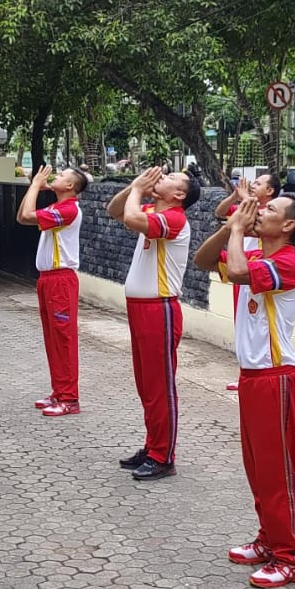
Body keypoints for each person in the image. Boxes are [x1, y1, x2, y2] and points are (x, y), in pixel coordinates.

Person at [192, 193, 295, 587]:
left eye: (270, 210)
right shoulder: (255, 255)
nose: (260, 211)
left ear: (288, 225)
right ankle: (268, 539)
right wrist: (231, 227)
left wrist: (239, 230)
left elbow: (238, 272)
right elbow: (203, 261)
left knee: (277, 474)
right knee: (257, 470)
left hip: (277, 378)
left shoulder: (288, 262)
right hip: (252, 377)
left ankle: (291, 556)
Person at [108, 165, 200, 480]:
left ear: (179, 195)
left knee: (160, 387)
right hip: (140, 309)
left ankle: (163, 456)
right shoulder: (152, 211)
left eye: (171, 178)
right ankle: (152, 446)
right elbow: (115, 210)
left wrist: (137, 189)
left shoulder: (174, 218)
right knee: (146, 385)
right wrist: (136, 186)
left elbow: (131, 219)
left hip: (159, 310)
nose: (164, 176)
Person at [17, 164, 90, 416]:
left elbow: (27, 216)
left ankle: (69, 398)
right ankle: (59, 391)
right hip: (48, 279)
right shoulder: (56, 208)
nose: (55, 177)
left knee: (63, 338)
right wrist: (34, 187)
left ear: (70, 186)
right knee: (52, 339)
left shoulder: (68, 210)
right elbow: (22, 216)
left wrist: (36, 185)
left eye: (61, 176)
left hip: (61, 280)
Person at [214, 170, 282, 391]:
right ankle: (243, 370)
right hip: (241, 269)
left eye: (259, 184)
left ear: (270, 191)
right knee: (242, 323)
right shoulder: (246, 207)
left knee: (259, 324)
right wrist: (235, 196)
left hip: (258, 272)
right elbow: (220, 212)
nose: (253, 185)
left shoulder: (269, 215)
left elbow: (254, 222)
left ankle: (258, 369)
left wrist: (245, 198)